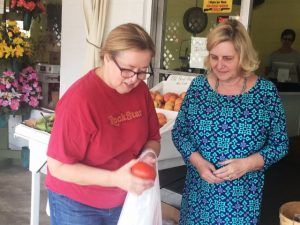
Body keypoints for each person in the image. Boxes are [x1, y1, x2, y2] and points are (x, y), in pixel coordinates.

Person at [172, 19, 289, 225]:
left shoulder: (265, 93)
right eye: (214, 57)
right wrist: (198, 162)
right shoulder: (199, 87)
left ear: (243, 56)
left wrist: (247, 164)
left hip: (241, 201)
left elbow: (280, 144)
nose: (219, 65)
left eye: (227, 58)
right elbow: (179, 132)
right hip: (198, 195)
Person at [45, 23, 161, 225]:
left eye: (142, 71)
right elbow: (58, 167)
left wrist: (148, 155)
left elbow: (152, 138)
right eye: (128, 69)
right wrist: (115, 179)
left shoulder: (141, 91)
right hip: (77, 203)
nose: (134, 79)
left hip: (124, 198)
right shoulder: (81, 100)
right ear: (107, 57)